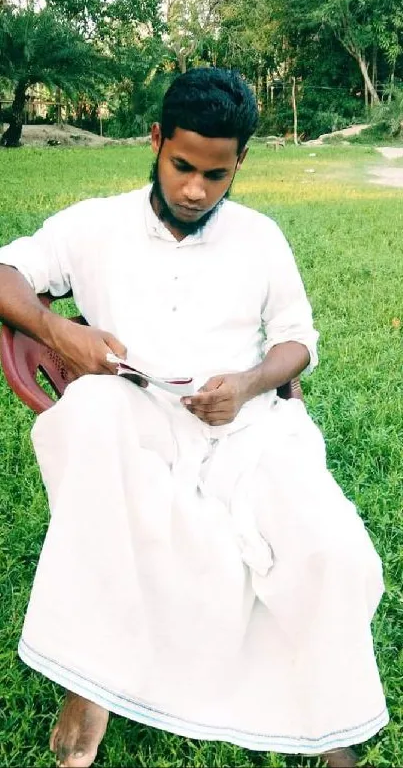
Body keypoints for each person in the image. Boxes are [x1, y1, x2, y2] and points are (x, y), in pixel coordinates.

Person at [0, 69, 387, 768]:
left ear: (240, 161)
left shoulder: (259, 237)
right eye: (182, 165)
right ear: (155, 140)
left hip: (250, 431)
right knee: (91, 410)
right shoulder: (93, 224)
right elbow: (4, 273)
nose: (194, 189)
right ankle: (90, 679)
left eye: (217, 173)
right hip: (137, 422)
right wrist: (59, 333)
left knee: (332, 551)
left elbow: (298, 340)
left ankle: (329, 729)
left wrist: (247, 382)